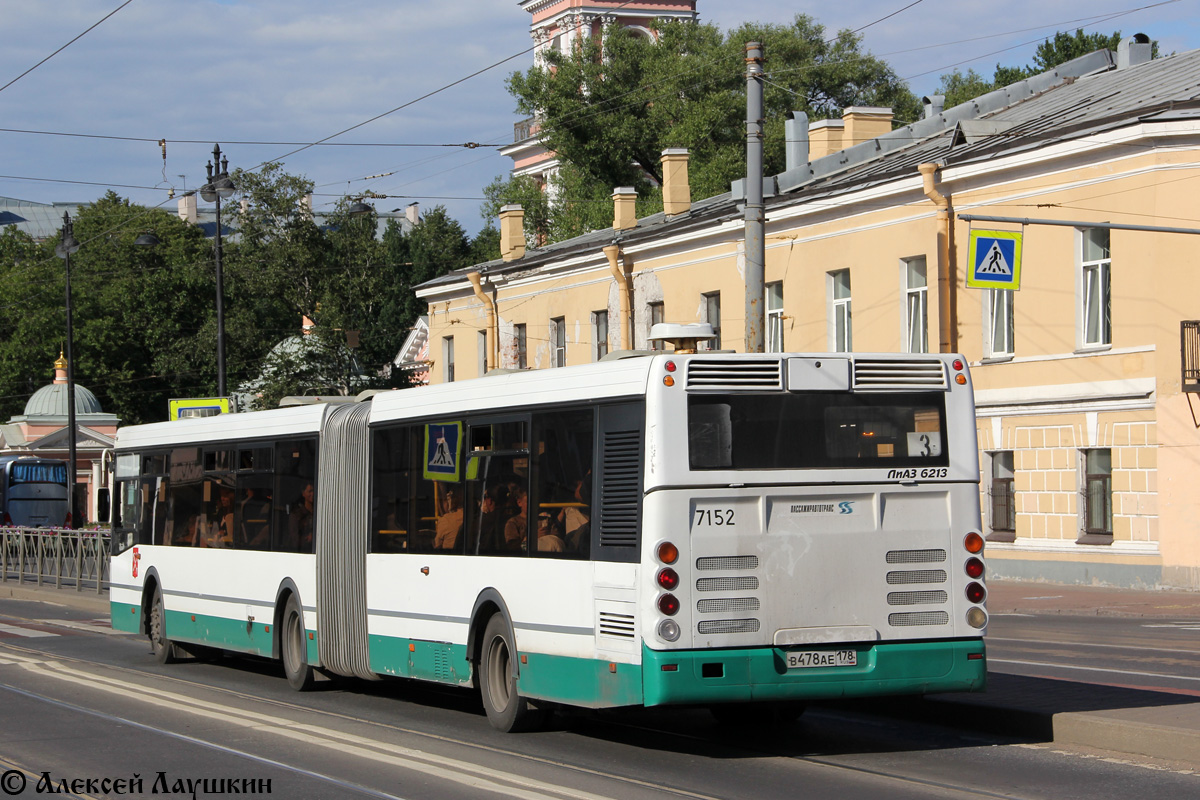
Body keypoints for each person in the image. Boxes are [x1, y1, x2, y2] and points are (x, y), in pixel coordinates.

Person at [288, 482, 315, 552]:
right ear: (303, 493)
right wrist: (309, 539)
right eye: (310, 491)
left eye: (314, 491)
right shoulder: (296, 514)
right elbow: (294, 539)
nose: (313, 494)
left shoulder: (318, 513)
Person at [503, 486, 528, 551]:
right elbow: (512, 546)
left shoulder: (544, 519)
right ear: (519, 503)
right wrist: (534, 538)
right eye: (528, 501)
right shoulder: (513, 523)